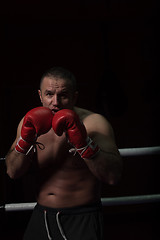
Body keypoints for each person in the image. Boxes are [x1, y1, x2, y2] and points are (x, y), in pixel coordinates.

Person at [5, 67, 123, 240]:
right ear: (40, 95)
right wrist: (24, 142)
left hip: (82, 218)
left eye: (63, 95)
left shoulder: (94, 123)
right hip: (42, 216)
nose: (55, 102)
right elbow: (12, 172)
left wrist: (84, 144)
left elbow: (113, 176)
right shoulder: (28, 122)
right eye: (49, 94)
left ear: (75, 97)